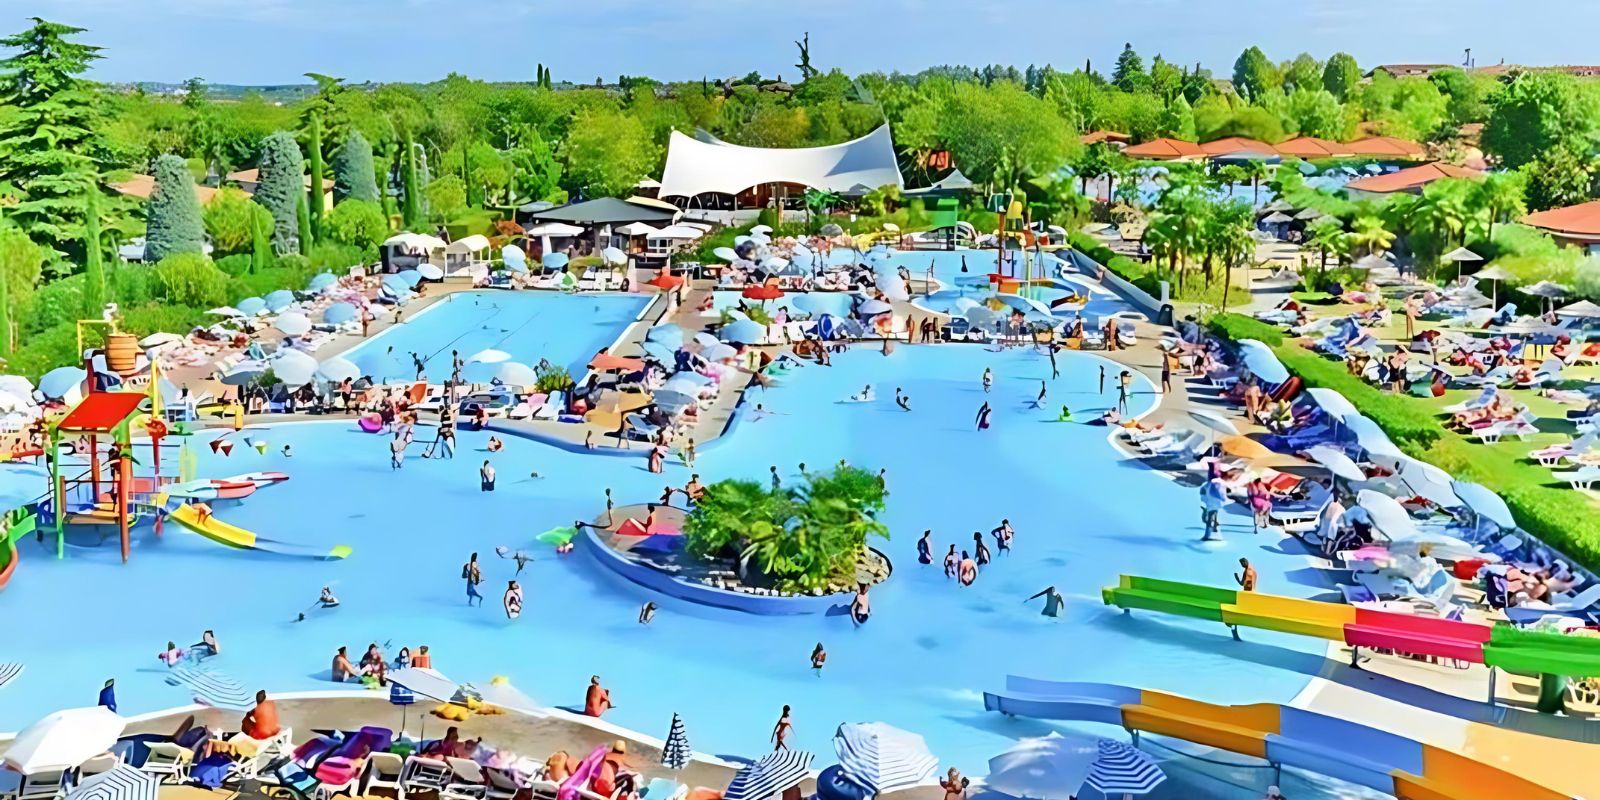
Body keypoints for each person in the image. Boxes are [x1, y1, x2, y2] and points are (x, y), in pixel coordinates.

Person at [1200, 476, 1227, 542]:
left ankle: (1210, 534)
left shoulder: (1208, 485)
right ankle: (1214, 531)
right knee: (1213, 516)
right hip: (1214, 504)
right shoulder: (1218, 485)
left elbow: (1202, 493)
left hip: (1211, 504)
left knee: (1210, 517)